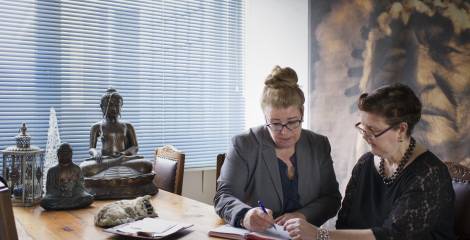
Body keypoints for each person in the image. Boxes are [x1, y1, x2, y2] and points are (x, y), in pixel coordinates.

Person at [284, 83, 455, 240]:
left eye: (373, 130)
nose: (366, 137)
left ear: (401, 130)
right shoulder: (365, 164)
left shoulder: (430, 175)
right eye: (363, 128)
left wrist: (319, 234)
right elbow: (345, 224)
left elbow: (391, 236)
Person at [214, 66, 341, 232]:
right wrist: (245, 216)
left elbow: (331, 198)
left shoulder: (318, 145)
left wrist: (302, 215)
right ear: (264, 117)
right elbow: (223, 197)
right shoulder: (244, 144)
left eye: (292, 121)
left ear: (302, 112)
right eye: (275, 123)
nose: (284, 132)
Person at [80, 88, 153, 177]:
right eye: (110, 105)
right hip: (106, 159)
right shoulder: (97, 127)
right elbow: (92, 148)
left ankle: (115, 166)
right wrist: (95, 153)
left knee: (147, 165)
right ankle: (116, 166)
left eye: (116, 105)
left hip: (123, 158)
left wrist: (124, 153)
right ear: (102, 107)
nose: (113, 108)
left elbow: (135, 147)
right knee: (84, 168)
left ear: (121, 106)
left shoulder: (127, 126)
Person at [41, 143, 94, 210]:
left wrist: (71, 191)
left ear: (71, 154)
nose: (65, 155)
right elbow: (50, 190)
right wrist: (61, 192)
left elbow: (80, 187)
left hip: (74, 196)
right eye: (62, 153)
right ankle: (71, 205)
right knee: (44, 201)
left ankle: (64, 205)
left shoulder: (77, 169)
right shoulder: (52, 171)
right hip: (58, 197)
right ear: (58, 154)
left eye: (67, 153)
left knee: (89, 198)